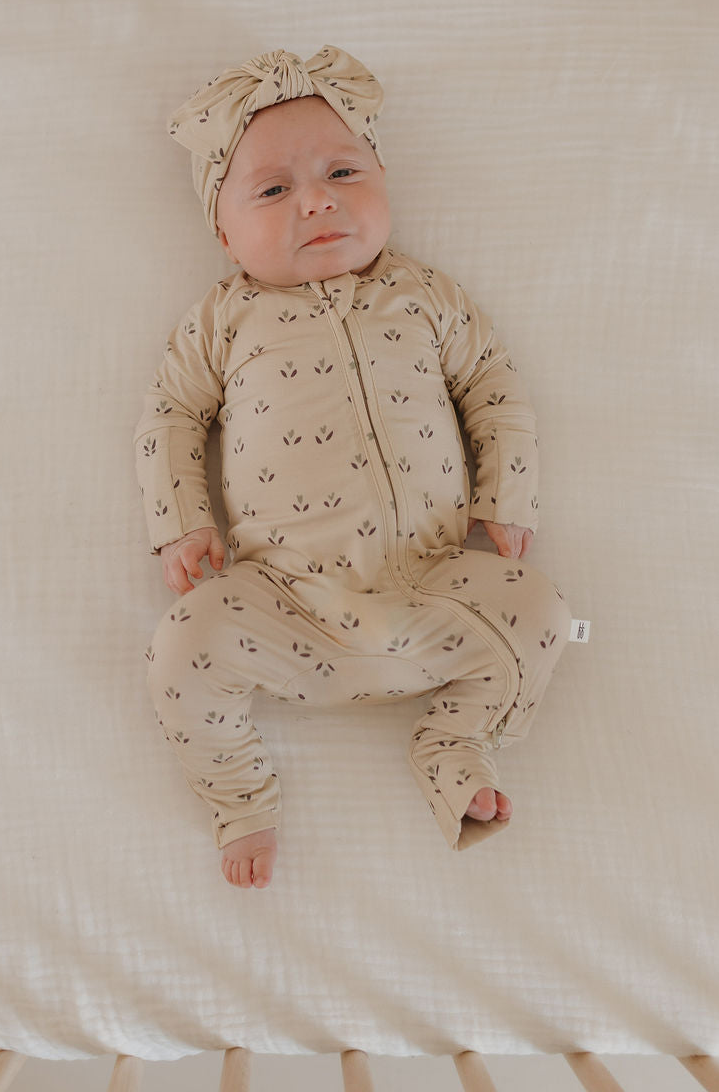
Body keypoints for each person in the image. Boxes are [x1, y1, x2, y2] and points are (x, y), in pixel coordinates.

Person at [134, 46, 571, 890]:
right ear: (225, 234)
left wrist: (503, 500)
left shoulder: (424, 294)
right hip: (286, 601)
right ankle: (241, 796)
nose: (318, 198)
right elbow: (171, 416)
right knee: (182, 648)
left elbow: (494, 388)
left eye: (343, 170)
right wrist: (179, 522)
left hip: (441, 585)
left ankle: (454, 741)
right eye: (273, 190)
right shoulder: (224, 318)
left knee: (541, 610)